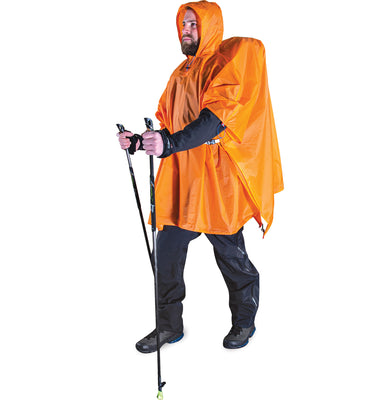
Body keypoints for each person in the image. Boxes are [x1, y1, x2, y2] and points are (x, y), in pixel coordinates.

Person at [118, 1, 283, 352]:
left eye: (193, 24)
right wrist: (140, 141)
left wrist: (168, 143)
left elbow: (215, 120)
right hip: (182, 180)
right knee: (166, 254)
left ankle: (244, 321)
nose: (187, 30)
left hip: (216, 183)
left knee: (231, 258)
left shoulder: (225, 66)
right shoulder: (180, 74)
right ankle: (168, 327)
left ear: (209, 27)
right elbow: (170, 126)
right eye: (184, 24)